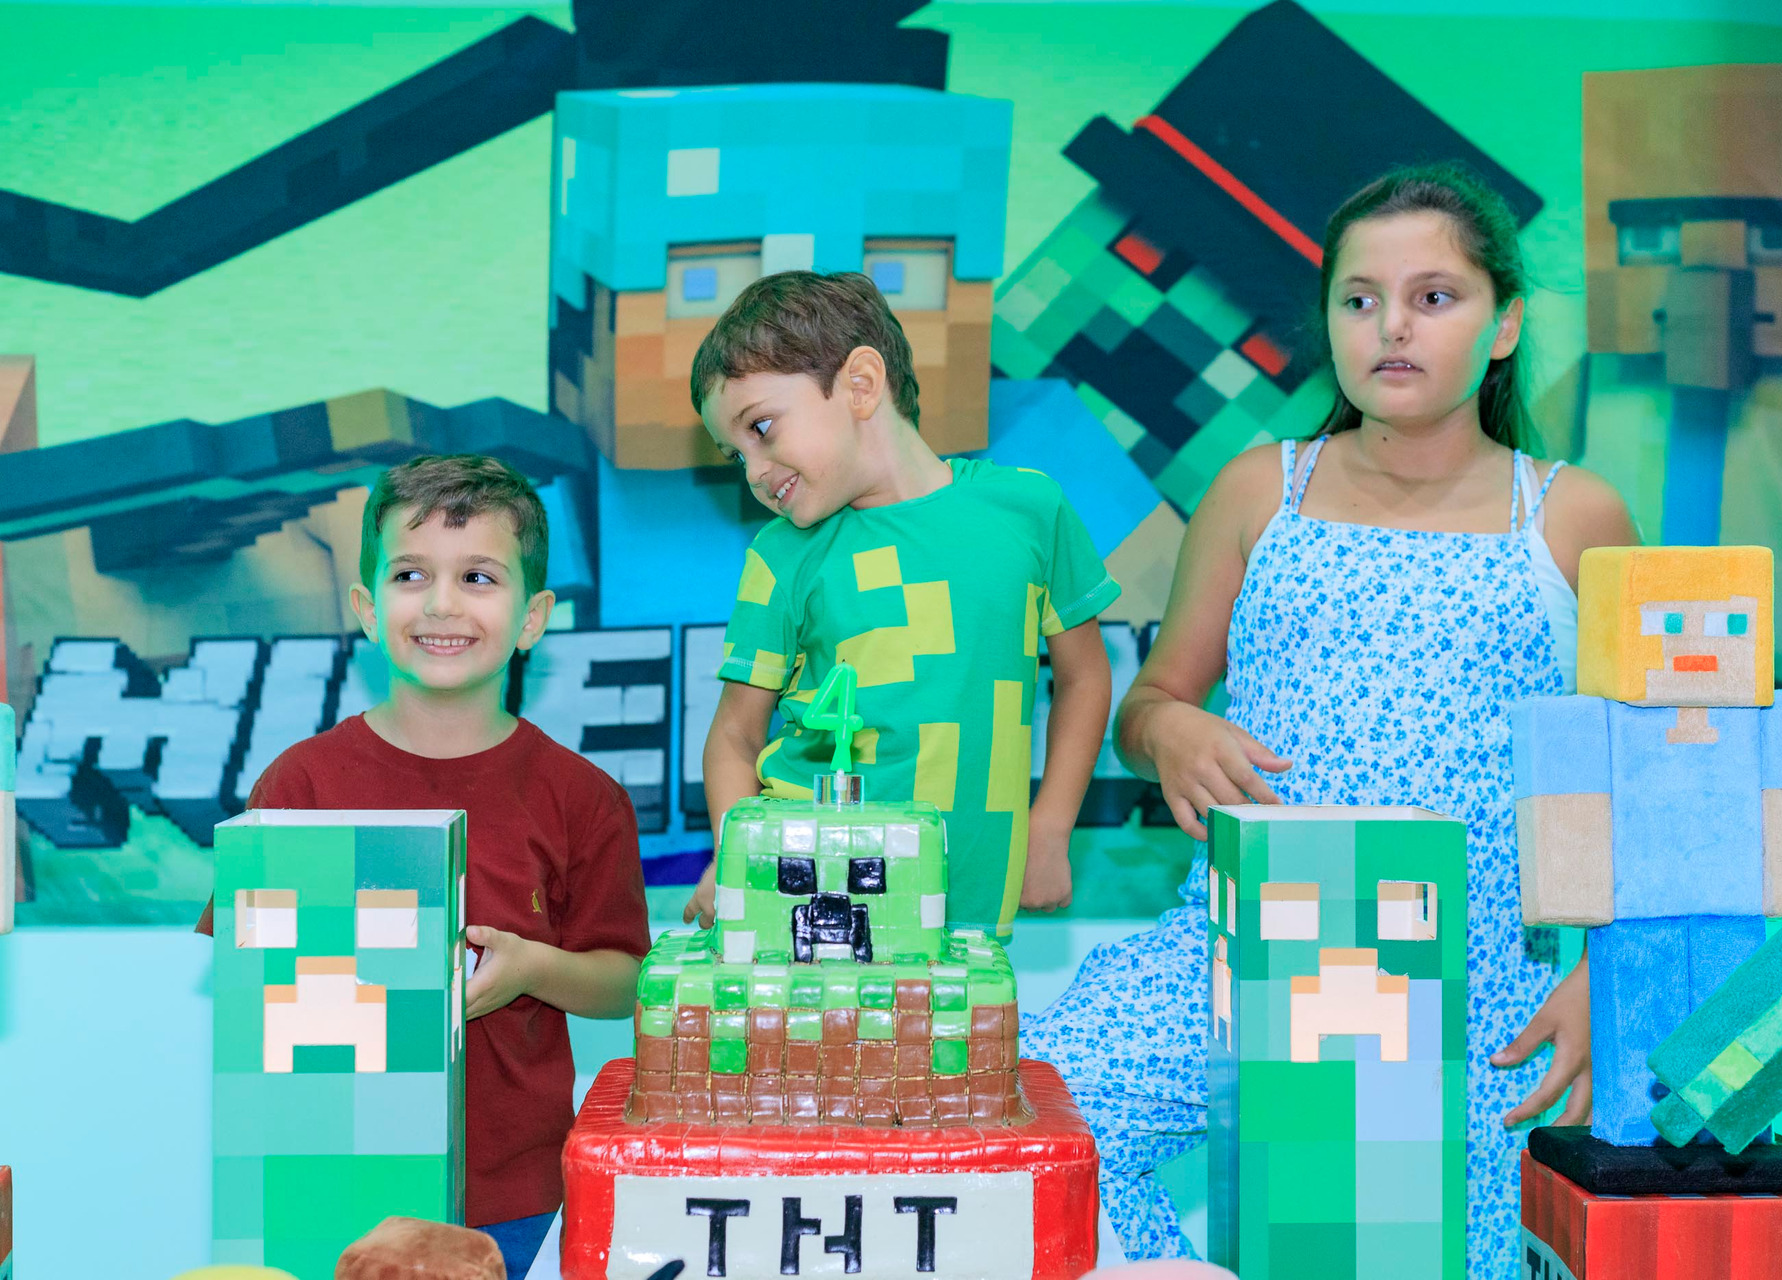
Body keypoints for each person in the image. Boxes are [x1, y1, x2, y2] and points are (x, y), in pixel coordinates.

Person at [1020, 163, 1639, 1275]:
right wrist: (1170, 731)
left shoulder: (1574, 515)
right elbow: (1149, 705)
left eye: (1434, 297)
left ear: (1504, 327)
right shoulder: (1261, 489)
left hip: (1483, 991)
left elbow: (1646, 775)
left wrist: (1609, 976)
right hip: (1245, 952)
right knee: (1042, 1121)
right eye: (1360, 299)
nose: (1391, 326)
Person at [195, 454, 650, 1278]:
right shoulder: (299, 785)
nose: (442, 604)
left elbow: (623, 980)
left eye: (478, 577)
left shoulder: (582, 797)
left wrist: (531, 969)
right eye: (411, 575)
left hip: (516, 1198)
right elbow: (233, 964)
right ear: (368, 609)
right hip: (329, 1179)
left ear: (534, 617)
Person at [687, 270, 1118, 940]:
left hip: (971, 903)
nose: (754, 472)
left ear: (861, 384)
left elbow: (1085, 676)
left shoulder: (1029, 509)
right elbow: (734, 737)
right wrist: (738, 859)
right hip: (812, 903)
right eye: (733, 455)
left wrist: (1050, 828)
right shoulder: (781, 555)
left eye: (761, 428)